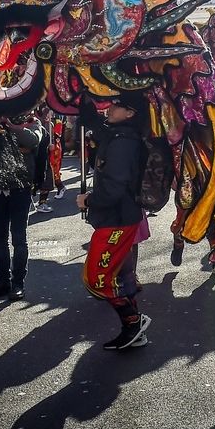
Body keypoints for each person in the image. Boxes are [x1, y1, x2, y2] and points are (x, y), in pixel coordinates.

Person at [77, 93, 151, 350]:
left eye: (118, 105)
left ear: (131, 113)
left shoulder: (124, 142)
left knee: (97, 277)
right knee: (122, 276)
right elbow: (91, 121)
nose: (110, 108)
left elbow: (113, 188)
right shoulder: (117, 133)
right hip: (117, 217)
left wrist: (89, 200)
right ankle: (135, 331)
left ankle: (134, 323)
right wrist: (83, 86)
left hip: (117, 219)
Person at [0, 114, 43, 301]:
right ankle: (2, 281)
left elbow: (32, 140)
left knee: (19, 239)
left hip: (20, 190)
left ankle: (18, 283)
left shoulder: (32, 122)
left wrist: (11, 125)